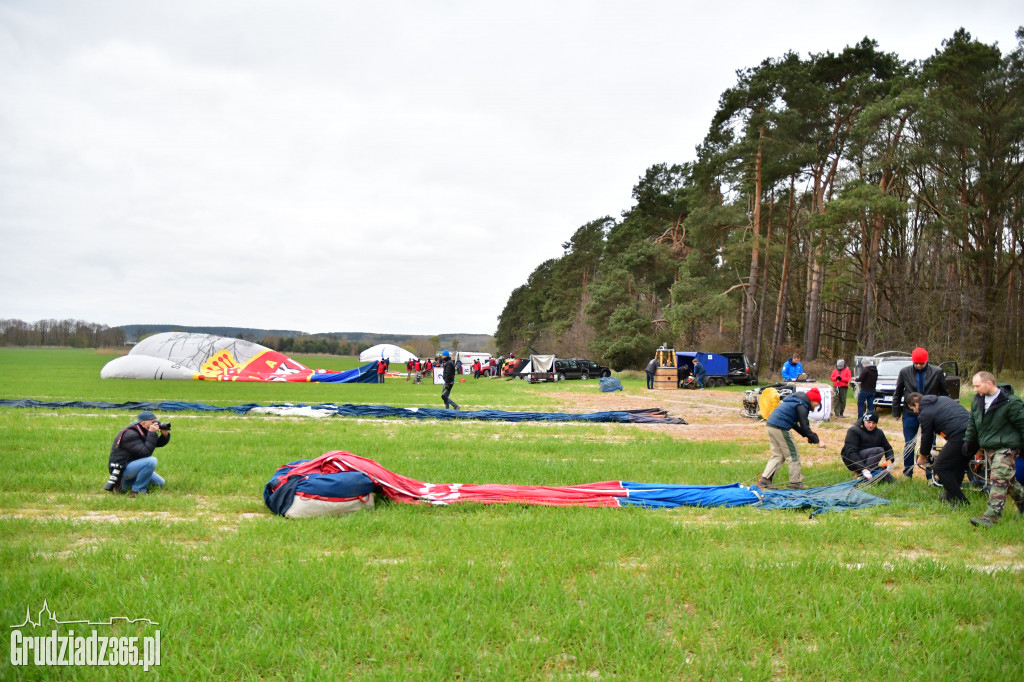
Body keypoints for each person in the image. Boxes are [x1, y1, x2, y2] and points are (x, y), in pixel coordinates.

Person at [963, 372, 1024, 528]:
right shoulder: (977, 401)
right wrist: (969, 441)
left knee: (998, 479)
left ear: (989, 383)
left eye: (977, 386)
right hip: (989, 447)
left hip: (1007, 447)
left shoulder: (1011, 402)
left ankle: (990, 517)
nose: (975, 389)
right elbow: (972, 423)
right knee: (1008, 481)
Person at [904, 392, 970, 507]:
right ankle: (951, 495)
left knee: (940, 467)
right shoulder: (943, 399)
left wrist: (922, 456)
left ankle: (961, 501)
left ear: (916, 404)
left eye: (912, 408)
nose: (914, 412)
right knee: (958, 464)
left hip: (960, 434)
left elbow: (927, 437)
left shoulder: (925, 413)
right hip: (973, 432)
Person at [891, 347, 948, 479]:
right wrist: (896, 411)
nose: (919, 366)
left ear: (926, 361)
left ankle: (930, 475)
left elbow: (944, 393)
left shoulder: (937, 372)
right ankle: (908, 473)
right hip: (910, 413)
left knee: (930, 443)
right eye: (916, 363)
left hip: (931, 413)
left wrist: (942, 411)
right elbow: (898, 392)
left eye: (921, 363)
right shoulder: (905, 372)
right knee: (909, 443)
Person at [757, 387, 825, 490]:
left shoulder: (795, 401)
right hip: (781, 427)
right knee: (793, 455)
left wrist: (808, 436)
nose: (817, 406)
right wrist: (818, 441)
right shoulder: (802, 406)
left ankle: (765, 479)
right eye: (817, 403)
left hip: (771, 425)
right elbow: (805, 426)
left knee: (778, 455)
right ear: (812, 400)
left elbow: (795, 424)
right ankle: (795, 483)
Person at [107, 410, 170, 497]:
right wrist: (152, 433)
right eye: (153, 422)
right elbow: (145, 452)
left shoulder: (142, 430)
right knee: (151, 461)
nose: (156, 424)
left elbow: (155, 443)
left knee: (160, 483)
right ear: (143, 423)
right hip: (122, 469)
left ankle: (124, 486)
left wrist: (164, 435)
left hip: (132, 465)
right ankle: (137, 491)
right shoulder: (130, 434)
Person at [840, 411, 895, 482]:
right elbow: (850, 452)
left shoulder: (879, 433)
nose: (871, 425)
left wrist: (890, 460)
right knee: (879, 450)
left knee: (890, 480)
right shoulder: (854, 430)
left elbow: (888, 447)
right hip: (854, 461)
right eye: (869, 422)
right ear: (864, 420)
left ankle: (869, 473)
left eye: (874, 423)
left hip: (870, 462)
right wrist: (863, 468)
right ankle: (861, 475)